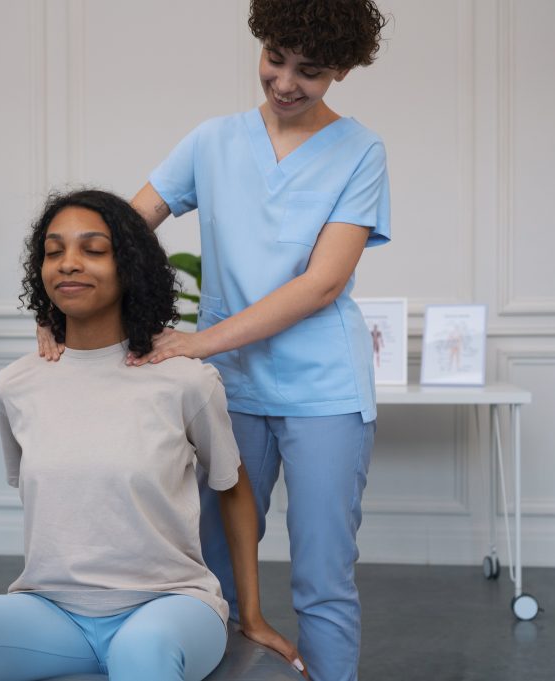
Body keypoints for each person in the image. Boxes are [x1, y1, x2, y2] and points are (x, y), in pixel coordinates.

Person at [37, 2, 391, 679]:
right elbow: (122, 227)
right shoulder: (212, 141)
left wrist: (199, 342)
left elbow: (320, 284)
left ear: (341, 70)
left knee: (323, 575)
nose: (285, 82)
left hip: (325, 389)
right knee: (211, 571)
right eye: (274, 60)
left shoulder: (361, 151)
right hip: (231, 390)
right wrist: (59, 295)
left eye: (309, 71)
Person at [0, 190, 304, 681]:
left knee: (142, 650)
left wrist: (254, 615)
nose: (69, 264)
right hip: (52, 610)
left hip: (169, 607)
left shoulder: (184, 380)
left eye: (92, 250)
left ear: (128, 266)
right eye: (54, 252)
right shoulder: (16, 384)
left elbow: (234, 488)